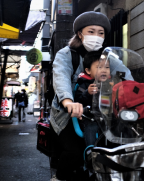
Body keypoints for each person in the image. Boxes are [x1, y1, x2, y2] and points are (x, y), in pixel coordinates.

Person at [49, 11, 111, 181]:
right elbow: (61, 77)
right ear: (79, 33)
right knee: (75, 152)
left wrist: (138, 97)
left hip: (100, 112)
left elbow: (125, 74)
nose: (96, 36)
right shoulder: (67, 54)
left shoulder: (106, 56)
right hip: (67, 114)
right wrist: (69, 102)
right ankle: (59, 177)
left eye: (101, 33)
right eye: (91, 32)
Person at [74, 50, 110, 149]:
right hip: (90, 118)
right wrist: (87, 93)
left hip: (107, 119)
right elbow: (77, 101)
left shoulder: (110, 85)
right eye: (99, 67)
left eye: (107, 67)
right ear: (88, 70)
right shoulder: (84, 84)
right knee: (91, 128)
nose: (104, 70)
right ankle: (90, 155)